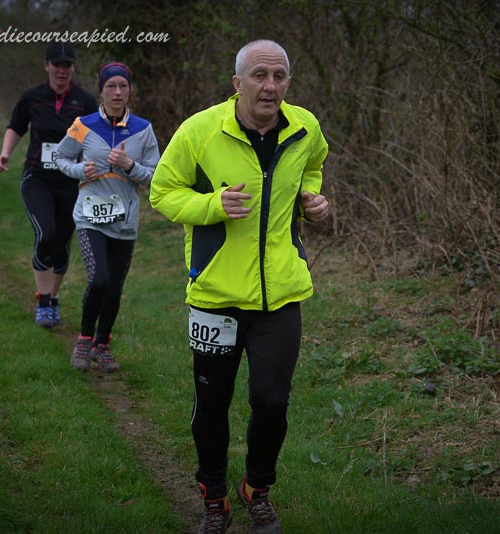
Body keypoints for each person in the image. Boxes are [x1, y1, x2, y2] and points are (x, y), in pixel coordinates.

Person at [149, 39, 330, 534]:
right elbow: (162, 192)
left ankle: (257, 489)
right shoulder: (200, 131)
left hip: (281, 295)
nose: (269, 86)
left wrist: (312, 197)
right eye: (259, 75)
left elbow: (314, 165)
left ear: (288, 82)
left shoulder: (305, 127)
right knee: (212, 405)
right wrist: (212, 206)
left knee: (272, 401)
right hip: (215, 296)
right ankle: (214, 498)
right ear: (237, 83)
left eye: (278, 76)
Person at [55, 62, 160, 372]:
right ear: (100, 91)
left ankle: (102, 344)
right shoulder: (82, 125)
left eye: (123, 86)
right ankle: (84, 338)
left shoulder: (143, 129)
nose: (117, 92)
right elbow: (60, 156)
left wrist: (129, 166)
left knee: (114, 287)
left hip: (125, 220)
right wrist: (79, 170)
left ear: (130, 91)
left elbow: (156, 175)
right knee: (98, 280)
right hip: (89, 216)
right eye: (111, 86)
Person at [0, 43, 98, 328]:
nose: (61, 71)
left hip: (71, 182)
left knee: (62, 243)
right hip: (37, 178)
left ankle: (53, 298)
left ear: (73, 68)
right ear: (46, 66)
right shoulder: (32, 97)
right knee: (46, 234)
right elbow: (16, 126)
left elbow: (96, 137)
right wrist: (5, 154)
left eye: (67, 65)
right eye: (56, 65)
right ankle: (42, 301)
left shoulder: (85, 102)